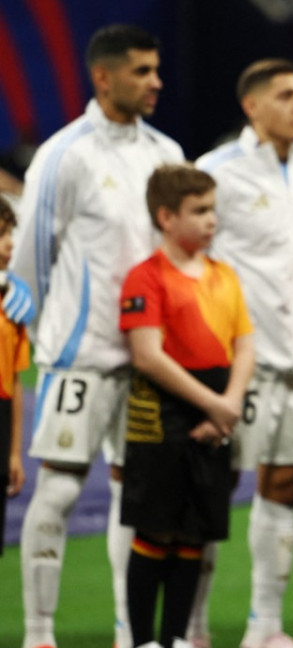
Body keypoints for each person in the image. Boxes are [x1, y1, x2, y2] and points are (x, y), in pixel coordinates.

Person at [12, 24, 184, 648]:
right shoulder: (64, 154)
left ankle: (127, 632)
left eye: (157, 70)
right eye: (142, 71)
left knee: (132, 496)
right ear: (104, 76)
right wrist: (39, 335)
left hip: (151, 360)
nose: (156, 81)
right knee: (57, 487)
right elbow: (31, 256)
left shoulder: (167, 152)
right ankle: (38, 635)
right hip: (81, 356)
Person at [194, 58, 293, 648]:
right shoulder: (214, 172)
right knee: (210, 495)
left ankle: (266, 628)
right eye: (285, 95)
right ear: (252, 105)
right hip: (241, 368)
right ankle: (193, 627)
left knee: (286, 489)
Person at [118, 164, 254, 648]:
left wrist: (229, 404)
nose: (211, 220)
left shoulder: (225, 276)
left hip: (216, 416)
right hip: (163, 422)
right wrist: (215, 406)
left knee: (195, 535)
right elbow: (148, 356)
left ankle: (176, 637)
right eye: (199, 211)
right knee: (156, 531)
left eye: (213, 209)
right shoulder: (146, 277)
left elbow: (244, 346)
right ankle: (141, 640)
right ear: (166, 217)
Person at [0, 198, 30, 538]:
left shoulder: (13, 303)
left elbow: (15, 382)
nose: (10, 244)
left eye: (11, 233)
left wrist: (13, 453)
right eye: (1, 234)